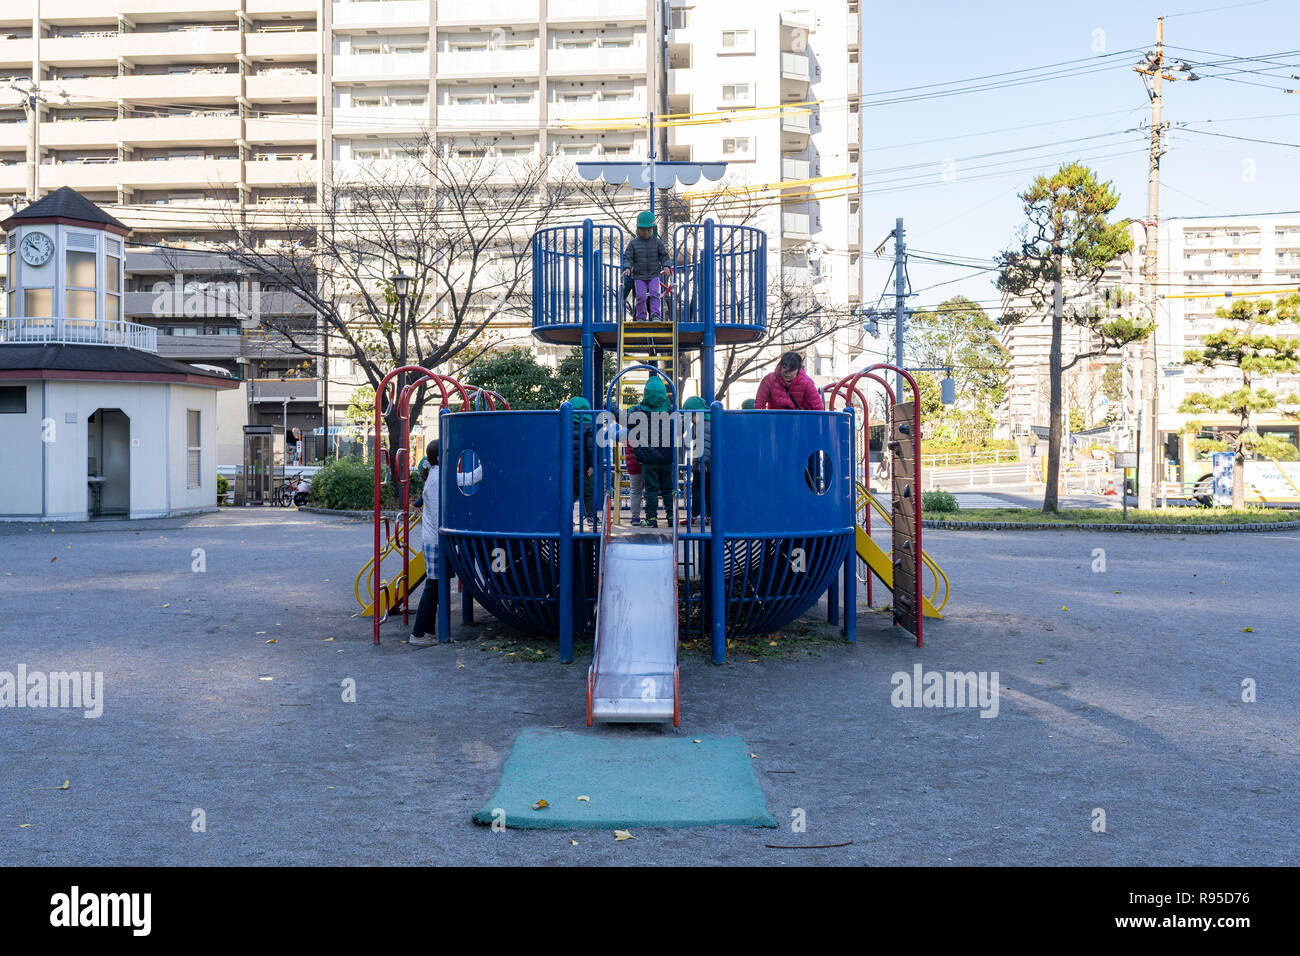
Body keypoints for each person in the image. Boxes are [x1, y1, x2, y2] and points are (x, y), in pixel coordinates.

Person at [628, 376, 674, 528]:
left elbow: (626, 421)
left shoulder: (639, 414)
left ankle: (652, 519)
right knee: (668, 488)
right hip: (667, 459)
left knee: (651, 490)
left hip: (648, 460)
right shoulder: (671, 413)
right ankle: (671, 516)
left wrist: (610, 407)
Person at [409, 448, 441, 646]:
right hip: (436, 540)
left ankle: (426, 632)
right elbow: (437, 515)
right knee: (433, 585)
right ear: (439, 457)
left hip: (433, 539)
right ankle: (419, 633)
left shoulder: (438, 474)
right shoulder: (436, 479)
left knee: (436, 585)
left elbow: (463, 478)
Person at [621, 210, 671, 321]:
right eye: (643, 230)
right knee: (640, 296)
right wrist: (627, 268)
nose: (646, 233)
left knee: (654, 293)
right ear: (638, 230)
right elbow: (628, 257)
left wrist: (666, 265)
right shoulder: (633, 243)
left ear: (653, 229)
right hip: (639, 275)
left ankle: (655, 315)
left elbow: (664, 255)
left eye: (649, 230)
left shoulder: (657, 242)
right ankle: (641, 316)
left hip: (654, 274)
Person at [754, 351, 825, 411]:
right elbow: (759, 405)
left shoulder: (807, 383)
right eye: (784, 367)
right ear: (780, 366)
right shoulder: (769, 380)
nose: (787, 373)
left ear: (798, 369)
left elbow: (818, 408)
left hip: (800, 421)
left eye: (792, 370)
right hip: (775, 420)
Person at [682, 396, 711, 523]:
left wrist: (701, 462)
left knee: (697, 490)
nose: (690, 420)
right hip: (710, 464)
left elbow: (703, 445)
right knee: (710, 490)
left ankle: (695, 516)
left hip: (702, 464)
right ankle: (710, 515)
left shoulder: (700, 425)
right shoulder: (711, 421)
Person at [568, 396, 596, 525]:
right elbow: (590, 448)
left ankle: (567, 518)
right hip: (583, 466)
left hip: (568, 466)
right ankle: (590, 517)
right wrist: (591, 465)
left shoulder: (565, 425)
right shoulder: (588, 426)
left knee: (571, 493)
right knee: (588, 493)